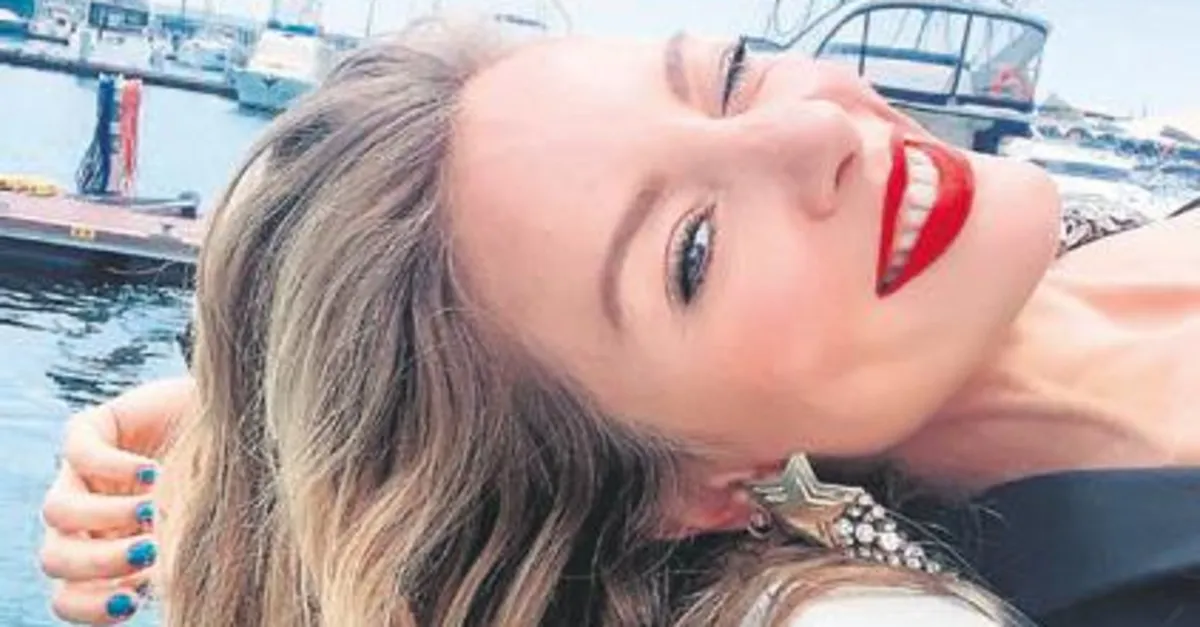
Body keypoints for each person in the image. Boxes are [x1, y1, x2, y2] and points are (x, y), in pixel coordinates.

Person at [36, 16, 1200, 627]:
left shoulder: (1079, 251)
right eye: (693, 251)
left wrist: (240, 431)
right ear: (701, 492)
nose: (814, 129)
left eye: (730, 78)